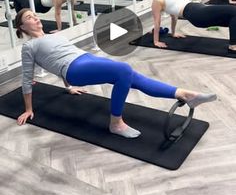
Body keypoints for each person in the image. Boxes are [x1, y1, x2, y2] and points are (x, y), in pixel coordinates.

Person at [15, 8, 217, 136]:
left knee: (132, 77)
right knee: (123, 69)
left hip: (84, 59)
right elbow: (27, 78)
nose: (34, 17)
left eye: (34, 14)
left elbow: (54, 59)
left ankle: (183, 93)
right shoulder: (29, 46)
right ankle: (116, 123)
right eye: (28, 18)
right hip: (74, 69)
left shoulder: (55, 34)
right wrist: (28, 109)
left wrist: (69, 88)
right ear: (22, 26)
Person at [144, 0, 236, 51]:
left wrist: (173, 33)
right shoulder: (157, 0)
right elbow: (157, 21)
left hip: (200, 9)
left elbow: (173, 16)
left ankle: (234, 43)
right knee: (233, 10)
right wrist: (156, 41)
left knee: (232, 17)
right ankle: (233, 45)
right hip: (197, 14)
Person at [10, 0, 78, 32]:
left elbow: (58, 13)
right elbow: (71, 9)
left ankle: (18, 19)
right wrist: (75, 22)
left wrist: (59, 29)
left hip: (38, 5)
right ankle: (19, 17)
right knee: (19, 3)